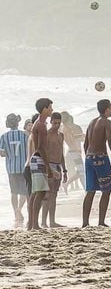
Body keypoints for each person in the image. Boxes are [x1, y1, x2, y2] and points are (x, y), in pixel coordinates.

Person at [82, 99, 111, 227]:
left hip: (89, 157)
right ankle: (101, 221)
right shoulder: (107, 122)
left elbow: (86, 143)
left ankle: (85, 222)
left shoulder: (92, 122)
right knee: (106, 189)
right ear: (107, 109)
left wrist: (88, 156)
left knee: (90, 190)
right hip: (101, 158)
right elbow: (109, 140)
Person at [27, 98, 54, 230]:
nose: (51, 110)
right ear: (44, 109)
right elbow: (41, 147)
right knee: (40, 192)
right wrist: (48, 166)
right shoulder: (41, 125)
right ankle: (35, 224)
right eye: (50, 108)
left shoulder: (40, 123)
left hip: (37, 159)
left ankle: (32, 224)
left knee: (36, 192)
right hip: (38, 159)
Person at [0, 113, 29, 226]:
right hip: (23, 167)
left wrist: (7, 153)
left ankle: (15, 213)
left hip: (11, 168)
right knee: (24, 191)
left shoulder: (4, 136)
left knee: (13, 192)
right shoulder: (24, 135)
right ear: (18, 123)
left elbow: (1, 153)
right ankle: (19, 209)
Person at [41, 112, 66, 228]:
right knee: (47, 194)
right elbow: (43, 153)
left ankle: (52, 221)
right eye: (54, 123)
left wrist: (64, 170)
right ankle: (43, 222)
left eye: (58, 123)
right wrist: (50, 169)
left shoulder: (61, 135)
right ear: (50, 122)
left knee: (54, 195)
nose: (56, 125)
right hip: (49, 165)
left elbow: (61, 153)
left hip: (58, 166)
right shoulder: (46, 135)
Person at [60, 112, 85, 191]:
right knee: (81, 172)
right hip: (74, 152)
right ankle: (68, 184)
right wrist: (82, 136)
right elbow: (72, 138)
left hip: (71, 152)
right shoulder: (68, 128)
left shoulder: (63, 128)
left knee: (80, 172)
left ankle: (69, 184)